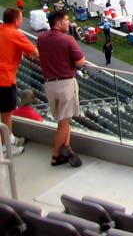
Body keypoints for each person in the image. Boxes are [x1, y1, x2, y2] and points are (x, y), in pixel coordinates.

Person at [38, 9, 85, 167]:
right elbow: (80, 62)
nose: (68, 22)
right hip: (65, 84)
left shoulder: (41, 38)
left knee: (64, 120)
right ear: (58, 23)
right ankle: (56, 156)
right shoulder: (68, 40)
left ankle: (67, 148)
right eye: (66, 20)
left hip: (49, 84)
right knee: (64, 123)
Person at [0, 8, 39, 156]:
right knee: (6, 115)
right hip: (5, 79)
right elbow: (34, 52)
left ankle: (10, 139)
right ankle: (6, 148)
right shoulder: (15, 34)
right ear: (16, 20)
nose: (23, 20)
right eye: (22, 18)